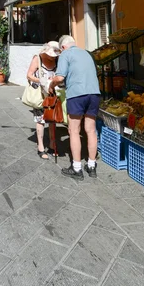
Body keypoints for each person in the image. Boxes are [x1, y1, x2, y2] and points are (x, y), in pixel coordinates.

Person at [51, 35, 101, 180]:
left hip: (77, 95)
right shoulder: (86, 53)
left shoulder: (66, 54)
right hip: (94, 94)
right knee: (91, 130)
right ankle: (92, 166)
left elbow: (60, 77)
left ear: (63, 47)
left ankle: (77, 168)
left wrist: (51, 84)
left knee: (73, 130)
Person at [26, 42, 60, 160]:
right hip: (40, 95)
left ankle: (52, 143)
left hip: (52, 94)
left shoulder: (57, 60)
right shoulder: (38, 58)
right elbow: (29, 75)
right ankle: (40, 147)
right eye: (51, 55)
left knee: (52, 119)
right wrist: (41, 80)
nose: (53, 57)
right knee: (40, 120)